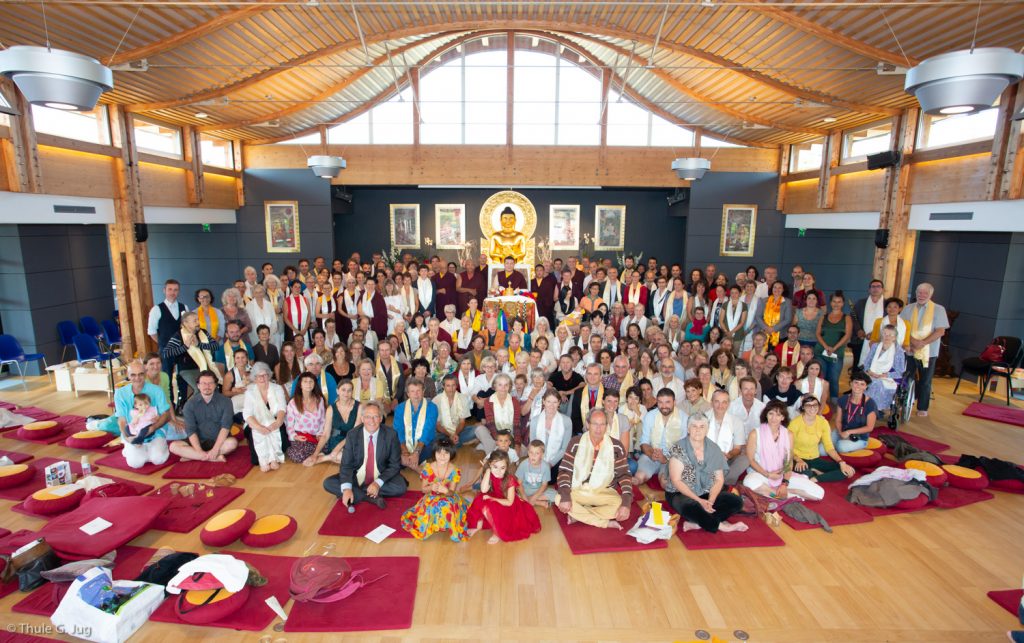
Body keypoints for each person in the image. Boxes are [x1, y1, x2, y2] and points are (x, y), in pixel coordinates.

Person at [663, 414, 747, 533]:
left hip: (707, 492)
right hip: (681, 493)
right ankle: (721, 526)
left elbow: (719, 480)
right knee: (691, 507)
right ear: (688, 429)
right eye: (694, 426)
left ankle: (699, 523)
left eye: (702, 427)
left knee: (736, 501)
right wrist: (699, 500)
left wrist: (711, 501)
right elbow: (676, 481)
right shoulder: (678, 448)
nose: (698, 430)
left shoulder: (714, 448)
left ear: (707, 430)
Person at [557, 408, 634, 529]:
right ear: (587, 424)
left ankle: (579, 515)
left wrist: (626, 503)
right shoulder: (575, 442)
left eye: (602, 424)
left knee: (619, 504)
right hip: (579, 489)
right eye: (595, 424)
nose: (599, 428)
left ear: (606, 426)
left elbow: (624, 475)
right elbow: (565, 471)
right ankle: (603, 522)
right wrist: (566, 497)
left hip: (603, 491)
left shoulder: (616, 446)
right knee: (559, 498)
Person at [324, 400, 408, 508]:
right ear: (362, 419)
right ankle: (369, 498)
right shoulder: (352, 435)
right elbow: (346, 465)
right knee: (328, 483)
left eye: (375, 416)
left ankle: (359, 493)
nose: (372, 421)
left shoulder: (391, 434)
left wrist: (377, 483)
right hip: (358, 476)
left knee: (400, 487)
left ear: (381, 418)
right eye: (368, 417)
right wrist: (347, 489)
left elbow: (395, 465)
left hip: (381, 474)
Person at [742, 400, 824, 501]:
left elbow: (788, 462)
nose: (773, 418)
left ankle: (783, 494)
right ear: (766, 415)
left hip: (782, 475)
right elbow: (751, 460)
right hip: (761, 474)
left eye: (778, 415)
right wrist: (768, 474)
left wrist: (784, 483)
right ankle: (780, 496)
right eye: (771, 413)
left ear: (783, 417)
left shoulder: (788, 434)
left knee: (819, 493)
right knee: (749, 482)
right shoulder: (755, 434)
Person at [400, 436, 468, 542]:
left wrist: (444, 490)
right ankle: (434, 525)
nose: (442, 456)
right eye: (439, 453)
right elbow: (424, 490)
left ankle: (447, 525)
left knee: (447, 506)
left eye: (446, 453)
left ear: (451, 455)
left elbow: (451, 492)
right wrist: (432, 487)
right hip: (431, 497)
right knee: (433, 508)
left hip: (448, 497)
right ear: (434, 454)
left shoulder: (455, 470)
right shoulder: (428, 468)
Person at [466, 449, 541, 544]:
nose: (498, 471)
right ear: (490, 465)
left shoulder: (509, 480)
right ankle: (478, 526)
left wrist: (493, 499)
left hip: (510, 505)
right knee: (480, 499)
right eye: (495, 467)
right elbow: (484, 490)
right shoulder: (490, 472)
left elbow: (510, 502)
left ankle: (497, 532)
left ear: (506, 468)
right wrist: (488, 470)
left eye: (502, 468)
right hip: (495, 496)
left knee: (492, 505)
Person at [901, 283, 949, 417]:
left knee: (925, 381)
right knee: (907, 378)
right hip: (909, 349)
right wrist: (912, 341)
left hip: (929, 352)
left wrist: (923, 343)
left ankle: (922, 407)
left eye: (925, 293)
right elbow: (902, 328)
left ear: (931, 295)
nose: (921, 296)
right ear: (915, 293)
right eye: (919, 293)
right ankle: (904, 402)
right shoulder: (908, 308)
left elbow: (940, 331)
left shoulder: (939, 309)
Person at [112, 361, 172, 468]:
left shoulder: (157, 390)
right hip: (133, 433)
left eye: (140, 374)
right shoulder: (120, 393)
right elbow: (121, 419)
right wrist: (127, 437)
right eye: (133, 375)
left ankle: (151, 448)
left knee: (158, 460)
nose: (137, 378)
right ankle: (131, 448)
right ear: (128, 375)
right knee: (136, 463)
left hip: (155, 432)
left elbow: (167, 415)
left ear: (145, 373)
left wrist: (153, 428)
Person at [171, 370, 239, 462]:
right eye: (203, 383)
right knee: (173, 446)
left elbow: (225, 427)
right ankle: (211, 458)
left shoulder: (226, 401)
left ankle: (193, 456)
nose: (207, 386)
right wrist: (199, 451)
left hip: (219, 440)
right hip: (198, 441)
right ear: (198, 386)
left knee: (232, 443)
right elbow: (191, 430)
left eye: (210, 383)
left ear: (215, 385)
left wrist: (215, 449)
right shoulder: (189, 404)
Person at [161, 311, 221, 408]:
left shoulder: (203, 332)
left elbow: (216, 346)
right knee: (201, 388)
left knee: (214, 388)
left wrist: (199, 345)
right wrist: (185, 347)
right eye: (194, 321)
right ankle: (186, 408)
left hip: (205, 367)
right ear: (185, 323)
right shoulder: (178, 336)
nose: (198, 322)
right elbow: (166, 353)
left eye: (198, 320)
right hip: (187, 369)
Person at [789, 395, 856, 482]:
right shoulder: (795, 423)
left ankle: (815, 478)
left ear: (819, 406)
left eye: (815, 405)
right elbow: (787, 447)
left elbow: (829, 447)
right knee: (806, 473)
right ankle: (815, 475)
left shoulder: (823, 423)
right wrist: (798, 460)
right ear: (803, 407)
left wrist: (841, 462)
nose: (812, 408)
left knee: (848, 470)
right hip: (797, 459)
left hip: (814, 459)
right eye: (808, 405)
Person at [634, 387, 685, 485]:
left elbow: (684, 448)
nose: (664, 406)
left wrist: (665, 459)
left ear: (674, 402)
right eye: (660, 402)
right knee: (638, 478)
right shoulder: (650, 416)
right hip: (652, 455)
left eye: (667, 402)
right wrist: (652, 454)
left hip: (673, 459)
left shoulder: (684, 418)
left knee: (665, 482)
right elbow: (644, 442)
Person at [243, 362, 287, 472]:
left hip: (276, 422)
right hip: (256, 424)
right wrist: (259, 427)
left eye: (265, 375)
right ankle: (264, 460)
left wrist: (277, 423)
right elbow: (247, 414)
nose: (262, 378)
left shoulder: (277, 388)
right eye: (259, 376)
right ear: (254, 378)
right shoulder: (250, 392)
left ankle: (274, 458)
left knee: (279, 435)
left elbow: (282, 408)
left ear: (269, 375)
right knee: (255, 460)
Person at [285, 372, 333, 466]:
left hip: (317, 435)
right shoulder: (293, 403)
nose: (308, 384)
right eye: (305, 382)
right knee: (297, 456)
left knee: (329, 445)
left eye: (311, 381)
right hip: (302, 436)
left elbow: (323, 420)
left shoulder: (319, 399)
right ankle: (319, 455)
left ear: (315, 384)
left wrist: (320, 433)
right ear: (300, 385)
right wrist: (294, 436)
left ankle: (317, 455)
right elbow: (289, 424)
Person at [815, 292, 852, 406]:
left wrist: (834, 348)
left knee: (834, 379)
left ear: (843, 303)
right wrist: (826, 347)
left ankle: (834, 403)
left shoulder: (846, 318)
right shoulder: (823, 317)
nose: (836, 304)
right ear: (830, 303)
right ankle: (820, 402)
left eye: (839, 301)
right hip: (821, 352)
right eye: (834, 301)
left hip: (837, 353)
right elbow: (818, 334)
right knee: (822, 378)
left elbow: (847, 335)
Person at [394, 378, 439, 468]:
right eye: (412, 391)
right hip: (404, 443)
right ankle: (412, 463)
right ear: (408, 394)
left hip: (425, 444)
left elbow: (427, 431)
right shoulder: (400, 408)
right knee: (393, 452)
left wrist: (416, 452)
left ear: (423, 391)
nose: (416, 394)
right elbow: (399, 431)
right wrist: (405, 451)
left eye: (418, 391)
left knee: (434, 446)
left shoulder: (432, 407)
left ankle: (409, 461)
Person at [148, 279, 188, 377]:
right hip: (166, 351)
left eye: (175, 290)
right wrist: (163, 344)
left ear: (178, 292)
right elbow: (152, 332)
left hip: (182, 350)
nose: (172, 292)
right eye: (170, 289)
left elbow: (188, 328)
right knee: (166, 378)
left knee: (183, 378)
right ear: (164, 290)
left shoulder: (184, 307)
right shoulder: (156, 309)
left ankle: (182, 393)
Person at [863, 325, 906, 413]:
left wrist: (884, 375)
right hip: (871, 373)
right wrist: (869, 371)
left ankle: (874, 409)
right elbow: (867, 362)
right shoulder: (875, 346)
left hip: (889, 377)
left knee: (877, 383)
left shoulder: (898, 351)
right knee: (860, 381)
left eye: (890, 335)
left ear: (894, 338)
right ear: (881, 335)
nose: (887, 337)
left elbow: (900, 371)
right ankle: (863, 407)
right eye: (885, 334)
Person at [832, 372, 879, 453]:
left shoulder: (871, 404)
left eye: (862, 384)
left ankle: (854, 448)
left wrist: (848, 432)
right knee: (822, 450)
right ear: (851, 383)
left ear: (866, 387)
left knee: (840, 446)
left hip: (859, 437)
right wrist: (840, 432)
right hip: (841, 431)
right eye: (856, 382)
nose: (858, 386)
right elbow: (838, 420)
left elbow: (869, 427)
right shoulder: (843, 399)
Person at [478, 373, 523, 453]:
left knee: (523, 451)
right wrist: (499, 441)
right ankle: (494, 451)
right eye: (500, 385)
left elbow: (517, 425)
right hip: (494, 435)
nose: (503, 388)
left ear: (509, 387)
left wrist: (517, 444)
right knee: (480, 429)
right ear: (495, 386)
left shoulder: (515, 401)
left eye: (506, 385)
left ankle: (491, 449)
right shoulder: (488, 401)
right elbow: (490, 423)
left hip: (509, 435)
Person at [852, 279, 887, 367]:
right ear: (869, 290)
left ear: (882, 289)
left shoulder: (887, 304)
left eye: (878, 286)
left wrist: (875, 333)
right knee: (857, 365)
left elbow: (889, 321)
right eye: (873, 287)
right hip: (861, 339)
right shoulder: (861, 303)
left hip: (880, 340)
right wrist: (859, 330)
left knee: (876, 365)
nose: (875, 289)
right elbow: (853, 317)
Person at [434, 373, 475, 446]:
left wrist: (455, 434)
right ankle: (457, 442)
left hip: (458, 431)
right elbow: (437, 425)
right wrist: (450, 435)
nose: (451, 388)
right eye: (448, 386)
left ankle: (453, 442)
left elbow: (462, 422)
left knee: (478, 430)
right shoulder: (436, 400)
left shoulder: (463, 398)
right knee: (434, 439)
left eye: (453, 385)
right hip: (442, 432)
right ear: (443, 386)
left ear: (456, 386)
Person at [518, 440, 558, 507]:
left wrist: (534, 497)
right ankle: (537, 502)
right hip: (526, 489)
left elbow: (544, 485)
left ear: (542, 455)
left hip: (539, 490)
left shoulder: (546, 467)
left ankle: (529, 500)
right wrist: (524, 496)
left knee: (556, 494)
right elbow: (519, 483)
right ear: (528, 452)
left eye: (537, 453)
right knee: (514, 493)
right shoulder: (523, 464)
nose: (533, 456)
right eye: (531, 452)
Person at [569, 364, 605, 435]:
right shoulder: (578, 393)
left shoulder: (607, 393)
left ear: (601, 376)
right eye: (589, 374)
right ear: (585, 376)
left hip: (602, 432)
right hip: (582, 433)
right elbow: (575, 417)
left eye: (596, 374)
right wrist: (582, 433)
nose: (592, 377)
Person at [757, 280, 791, 348]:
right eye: (775, 287)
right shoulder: (764, 300)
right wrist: (766, 328)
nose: (777, 289)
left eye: (779, 288)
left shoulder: (787, 302)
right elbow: (758, 316)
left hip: (780, 334)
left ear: (783, 289)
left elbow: (788, 319)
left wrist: (773, 329)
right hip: (764, 333)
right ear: (771, 289)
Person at [220, 348, 251, 418]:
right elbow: (224, 393)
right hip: (237, 406)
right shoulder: (229, 375)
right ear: (234, 360)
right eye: (238, 358)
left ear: (247, 358)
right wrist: (238, 392)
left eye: (243, 357)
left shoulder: (252, 371)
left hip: (251, 402)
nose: (240, 360)